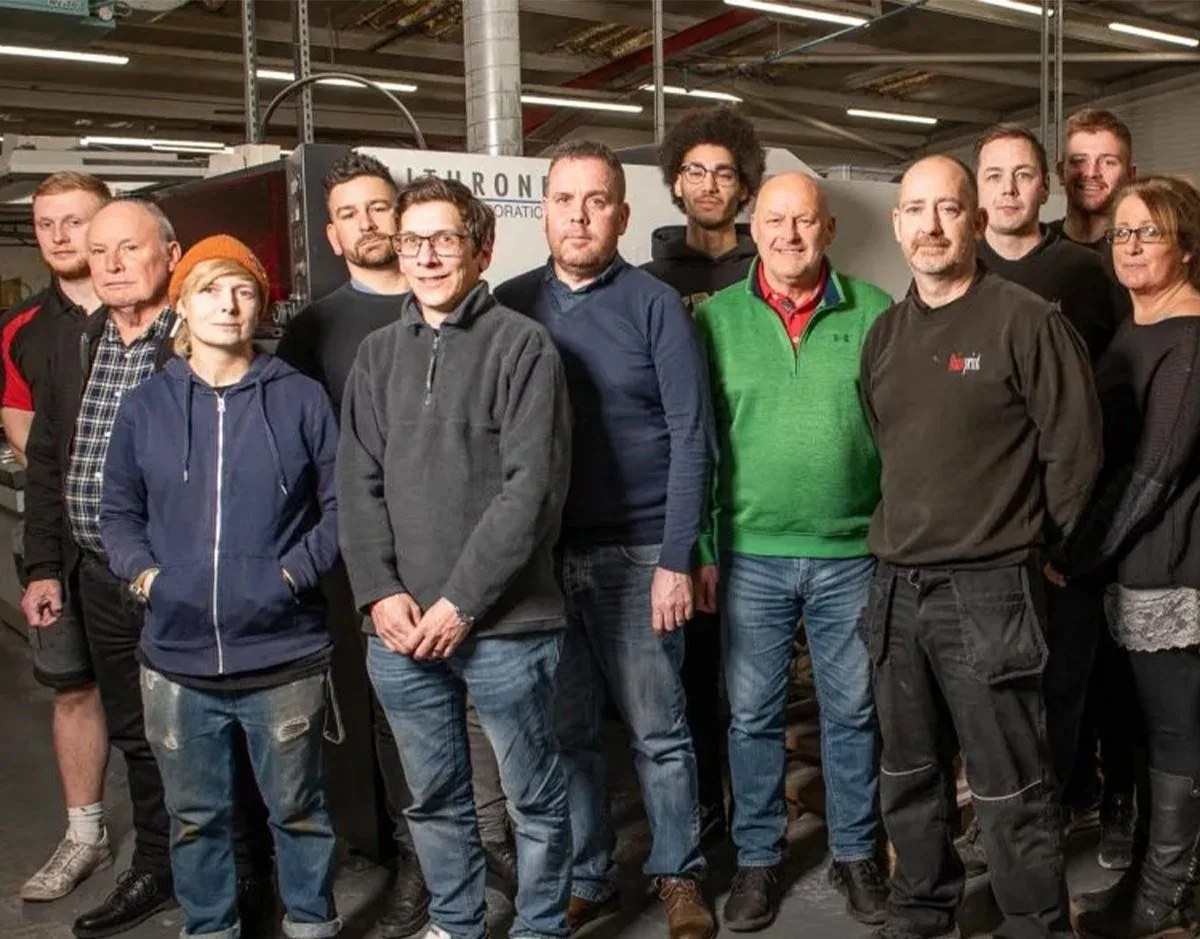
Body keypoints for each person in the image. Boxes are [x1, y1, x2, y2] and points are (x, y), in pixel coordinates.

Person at [860, 155, 1102, 939]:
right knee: (907, 771)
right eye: (916, 210)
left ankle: (1034, 920)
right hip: (896, 587)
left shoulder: (1025, 319)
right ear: (898, 224)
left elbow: (1077, 450)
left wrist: (1043, 543)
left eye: (948, 209)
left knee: (1009, 784)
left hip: (990, 589)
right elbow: (885, 445)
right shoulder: (887, 333)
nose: (931, 226)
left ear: (974, 220)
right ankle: (923, 908)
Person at [22, 199, 270, 939]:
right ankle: (159, 867)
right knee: (137, 732)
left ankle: (246, 874)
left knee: (214, 728)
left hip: (184, 578)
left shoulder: (201, 337)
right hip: (100, 573)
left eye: (129, 249)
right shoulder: (82, 339)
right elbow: (47, 459)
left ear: (171, 253)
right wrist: (43, 563)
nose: (112, 264)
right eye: (100, 253)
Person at [339, 176, 573, 939]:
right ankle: (457, 921)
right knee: (432, 797)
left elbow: (530, 492)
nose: (429, 256)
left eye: (446, 239)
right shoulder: (375, 357)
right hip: (400, 630)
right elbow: (357, 484)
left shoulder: (523, 346)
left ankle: (540, 926)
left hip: (507, 626)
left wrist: (461, 601)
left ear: (483, 248)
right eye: (414, 241)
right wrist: (379, 593)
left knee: (530, 798)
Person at [496, 140, 716, 939]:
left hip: (635, 555)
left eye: (597, 201)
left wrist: (674, 559)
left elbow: (692, 435)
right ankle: (590, 874)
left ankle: (679, 873)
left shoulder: (654, 304)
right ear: (544, 210)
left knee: (660, 732)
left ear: (623, 214)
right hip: (543, 563)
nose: (580, 215)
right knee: (570, 734)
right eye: (564, 199)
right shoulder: (511, 302)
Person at [99, 235, 342, 939]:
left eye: (242, 290)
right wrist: (147, 575)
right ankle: (209, 928)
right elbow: (118, 511)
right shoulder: (147, 405)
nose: (228, 305)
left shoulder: (300, 397)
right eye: (209, 289)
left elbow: (345, 504)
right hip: (175, 659)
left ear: (260, 305)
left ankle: (310, 926)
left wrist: (291, 574)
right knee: (196, 818)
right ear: (180, 303)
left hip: (284, 652)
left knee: (298, 811)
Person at [693, 171, 891, 929]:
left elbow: (899, 435)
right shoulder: (717, 320)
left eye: (804, 221)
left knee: (852, 709)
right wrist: (707, 546)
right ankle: (758, 859)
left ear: (829, 229)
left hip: (851, 552)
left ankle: (854, 852)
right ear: (753, 229)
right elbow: (701, 446)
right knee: (751, 714)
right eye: (773, 221)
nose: (788, 235)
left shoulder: (875, 312)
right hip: (751, 555)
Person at [276, 151, 437, 937]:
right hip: (365, 553)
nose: (369, 224)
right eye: (351, 214)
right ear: (334, 236)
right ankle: (416, 859)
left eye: (380, 208)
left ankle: (485, 845)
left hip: (458, 544)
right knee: (392, 715)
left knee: (486, 709)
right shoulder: (315, 328)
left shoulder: (452, 302)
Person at [965, 123, 1128, 874]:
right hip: (984, 527)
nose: (1007, 189)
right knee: (994, 687)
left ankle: (1058, 808)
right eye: (993, 175)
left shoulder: (1088, 276)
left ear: (1045, 184)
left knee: (1065, 682)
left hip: (1066, 528)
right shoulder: (955, 270)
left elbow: (1112, 410)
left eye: (1021, 175)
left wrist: (1075, 532)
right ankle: (1002, 812)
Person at [1055, 176, 1200, 939]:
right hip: (1125, 571)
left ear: (1188, 247)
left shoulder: (1189, 340)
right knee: (1140, 737)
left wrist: (1075, 557)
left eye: (1151, 232)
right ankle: (1154, 884)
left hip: (1171, 569)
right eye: (1123, 233)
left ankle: (1162, 899)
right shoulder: (1133, 332)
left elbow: (1151, 473)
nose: (1133, 245)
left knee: (1175, 735)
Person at [641, 105, 766, 849]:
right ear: (675, 182)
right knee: (686, 684)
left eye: (725, 173)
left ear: (745, 185)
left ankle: (753, 820)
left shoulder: (767, 270)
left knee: (748, 684)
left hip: (753, 503)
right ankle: (702, 820)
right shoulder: (654, 283)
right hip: (683, 504)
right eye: (695, 171)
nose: (709, 185)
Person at [5, 172, 113, 904]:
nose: (63, 236)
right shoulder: (21, 329)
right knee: (73, 687)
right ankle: (86, 832)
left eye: (78, 221)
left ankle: (189, 838)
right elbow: (29, 445)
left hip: (153, 552)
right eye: (48, 224)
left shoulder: (157, 309)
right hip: (65, 543)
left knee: (169, 696)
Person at [1052, 106, 1143, 872]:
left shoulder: (1145, 253)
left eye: (1106, 160)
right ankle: (1076, 786)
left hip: (1141, 474)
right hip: (1063, 491)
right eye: (1078, 161)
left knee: (1123, 661)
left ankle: (1123, 801)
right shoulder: (1048, 258)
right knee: (1066, 653)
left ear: (1129, 170)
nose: (1091, 174)